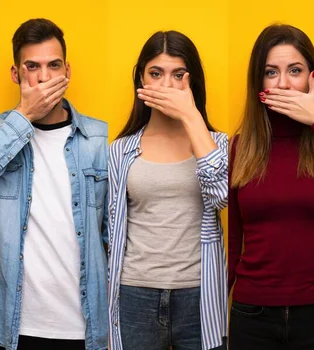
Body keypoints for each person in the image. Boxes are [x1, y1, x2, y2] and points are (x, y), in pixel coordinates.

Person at [0, 18, 109, 350]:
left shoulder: (98, 138)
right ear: (16, 74)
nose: (44, 78)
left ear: (67, 71)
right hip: (14, 327)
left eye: (53, 66)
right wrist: (24, 116)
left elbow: (113, 237)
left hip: (84, 328)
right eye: (32, 67)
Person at [228, 24, 314, 350]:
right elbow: (235, 236)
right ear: (258, 82)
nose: (282, 83)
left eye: (294, 71)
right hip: (252, 314)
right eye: (271, 72)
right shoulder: (241, 146)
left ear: (312, 77)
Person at [107, 30, 228, 350]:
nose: (166, 85)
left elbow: (221, 196)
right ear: (141, 80)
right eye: (156, 74)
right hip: (135, 294)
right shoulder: (119, 152)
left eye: (178, 75)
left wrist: (190, 116)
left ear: (194, 82)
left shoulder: (219, 145)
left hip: (198, 295)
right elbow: (109, 232)